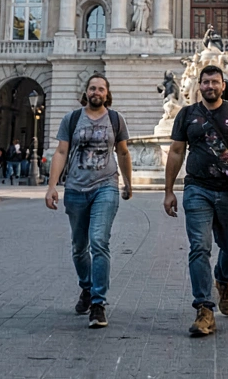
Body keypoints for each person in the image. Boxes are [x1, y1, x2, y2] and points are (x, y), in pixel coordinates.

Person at [163, 65, 228, 338]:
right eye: (205, 82)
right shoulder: (186, 114)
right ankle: (204, 308)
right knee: (199, 247)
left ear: (222, 85)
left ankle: (224, 279)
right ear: (199, 85)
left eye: (214, 82)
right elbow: (175, 152)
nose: (210, 86)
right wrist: (169, 190)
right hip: (196, 188)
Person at [45, 74, 133, 329]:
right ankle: (86, 286)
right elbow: (61, 152)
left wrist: (128, 183)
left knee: (99, 241)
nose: (96, 92)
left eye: (101, 89)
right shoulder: (71, 119)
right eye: (92, 88)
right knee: (78, 247)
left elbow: (123, 152)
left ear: (107, 94)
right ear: (86, 92)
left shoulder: (116, 119)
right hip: (75, 188)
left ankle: (98, 302)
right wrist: (52, 187)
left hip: (105, 186)